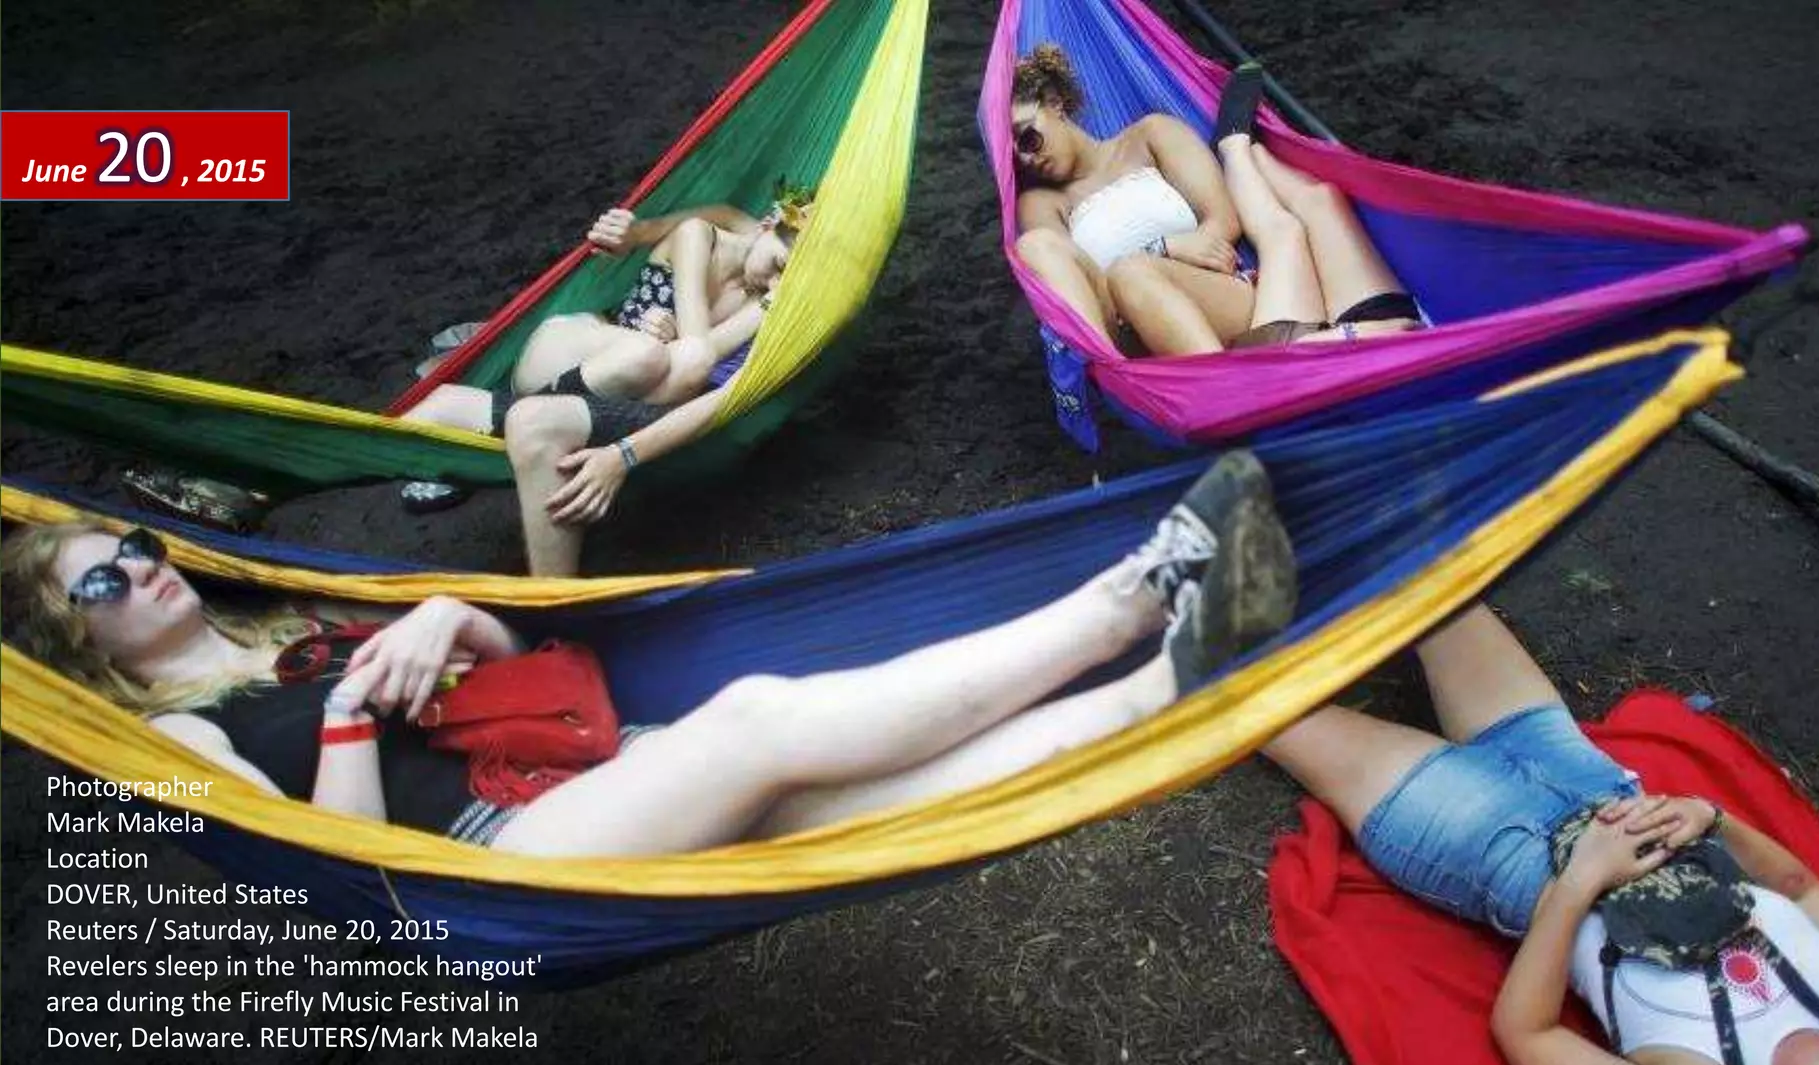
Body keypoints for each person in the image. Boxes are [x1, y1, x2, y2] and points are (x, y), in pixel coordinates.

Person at [5, 452, 1297, 856]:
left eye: (133, 540)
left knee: (837, 808)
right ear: (80, 640)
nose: (144, 561)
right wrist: (348, 712)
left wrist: (450, 618)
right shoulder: (170, 742)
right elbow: (349, 883)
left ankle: (1158, 689)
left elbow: (519, 663)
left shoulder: (281, 613)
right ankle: (1134, 599)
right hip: (486, 867)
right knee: (754, 722)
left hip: (588, 767)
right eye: (104, 576)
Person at [1262, 603, 1819, 1065]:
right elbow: (1800, 889)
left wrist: (1578, 882)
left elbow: (1525, 1033)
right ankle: (1238, 403)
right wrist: (1711, 821)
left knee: (1240, 696)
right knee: (1419, 557)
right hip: (1588, 776)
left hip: (1492, 848)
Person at [394, 185, 815, 576]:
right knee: (655, 354)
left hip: (613, 390)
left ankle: (475, 409)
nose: (776, 284)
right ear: (765, 224)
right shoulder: (700, 235)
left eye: (788, 281)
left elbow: (701, 358)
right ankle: (495, 369)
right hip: (570, 349)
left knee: (659, 360)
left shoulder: (761, 288)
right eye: (778, 264)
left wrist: (765, 303)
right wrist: (761, 311)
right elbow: (696, 352)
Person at [1009, 45, 1421, 356]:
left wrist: (1181, 251)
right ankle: (1107, 369)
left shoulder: (1151, 136)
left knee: (1295, 220)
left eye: (1029, 136)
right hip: (1128, 326)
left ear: (1056, 105)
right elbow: (1073, 287)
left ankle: (1240, 146)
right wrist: (1164, 247)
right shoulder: (1042, 203)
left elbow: (1222, 221)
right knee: (1119, 269)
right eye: (1016, 154)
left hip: (1217, 295)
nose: (1028, 156)